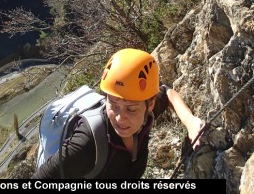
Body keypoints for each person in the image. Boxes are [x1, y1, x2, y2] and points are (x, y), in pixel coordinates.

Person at [32, 48, 203, 179]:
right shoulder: (85, 144)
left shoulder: (147, 110)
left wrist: (191, 122)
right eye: (112, 104)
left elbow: (167, 94)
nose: (120, 118)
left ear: (150, 104)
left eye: (131, 109)